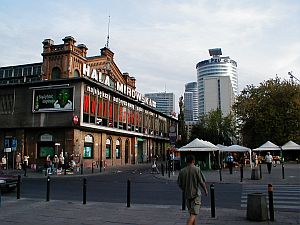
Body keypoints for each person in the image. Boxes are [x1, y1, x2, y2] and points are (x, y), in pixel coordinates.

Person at [177, 155, 208, 225]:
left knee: (191, 213)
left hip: (187, 195)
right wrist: (205, 190)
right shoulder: (197, 169)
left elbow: (179, 183)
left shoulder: (182, 171)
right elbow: (201, 181)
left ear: (186, 161)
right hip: (196, 195)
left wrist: (184, 189)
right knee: (194, 214)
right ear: (193, 161)